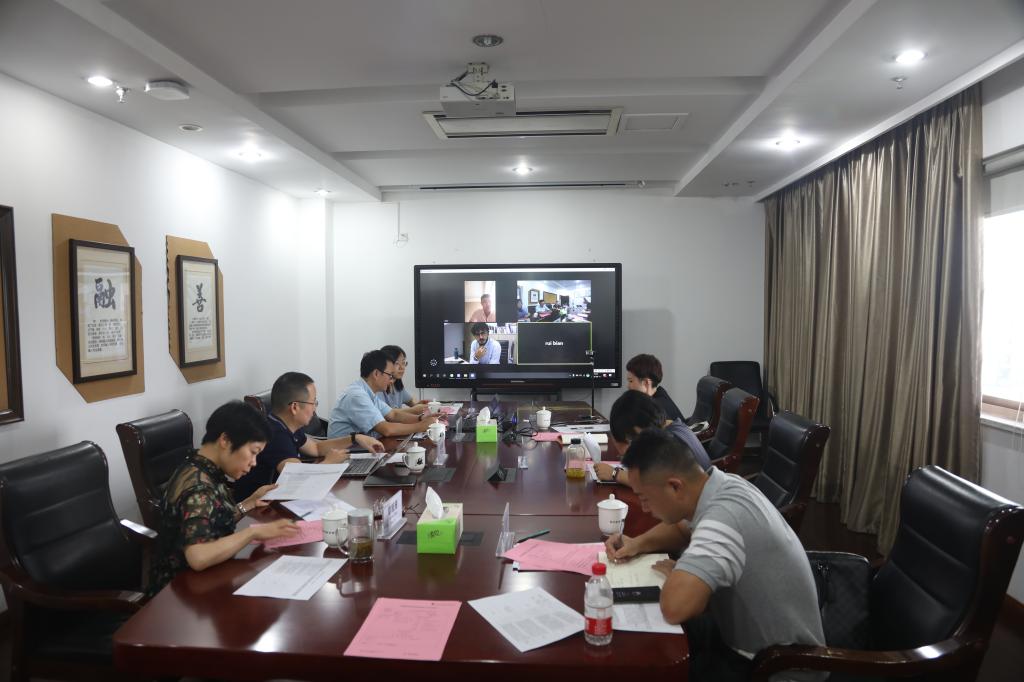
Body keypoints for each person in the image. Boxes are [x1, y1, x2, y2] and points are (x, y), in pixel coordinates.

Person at [605, 429, 824, 682]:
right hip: (746, 638)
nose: (644, 508)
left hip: (775, 667)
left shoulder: (723, 520)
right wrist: (637, 544)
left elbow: (675, 608)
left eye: (644, 498)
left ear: (674, 486)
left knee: (647, 658)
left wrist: (680, 572)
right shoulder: (723, 484)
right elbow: (682, 528)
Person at [149, 401, 299, 595]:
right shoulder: (198, 487)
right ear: (225, 440)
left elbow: (212, 521)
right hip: (181, 593)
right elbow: (198, 557)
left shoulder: (199, 466)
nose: (254, 463)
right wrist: (252, 533)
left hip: (206, 579)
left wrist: (248, 503)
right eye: (253, 452)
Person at [232, 372, 386, 502]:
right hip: (258, 510)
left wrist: (355, 438)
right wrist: (329, 462)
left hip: (277, 500)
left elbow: (316, 448)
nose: (314, 409)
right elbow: (297, 477)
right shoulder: (275, 434)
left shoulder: (286, 424)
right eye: (313, 402)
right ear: (295, 407)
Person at [594, 390, 710, 482]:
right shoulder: (673, 426)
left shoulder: (669, 441)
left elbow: (655, 483)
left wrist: (615, 473)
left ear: (637, 430)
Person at [328, 350, 439, 438]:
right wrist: (420, 426)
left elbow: (393, 415)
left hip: (361, 448)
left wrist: (421, 418)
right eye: (390, 375)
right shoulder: (357, 396)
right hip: (348, 453)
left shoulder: (369, 392)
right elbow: (386, 429)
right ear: (376, 374)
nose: (391, 380)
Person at [626, 353, 685, 422]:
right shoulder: (662, 398)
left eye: (631, 381)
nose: (628, 386)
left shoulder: (652, 410)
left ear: (646, 383)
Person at [379, 344, 430, 413]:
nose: (402, 367)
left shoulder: (397, 385)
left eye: (403, 363)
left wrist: (419, 404)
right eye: (397, 363)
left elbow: (410, 402)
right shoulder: (379, 387)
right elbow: (388, 414)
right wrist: (414, 410)